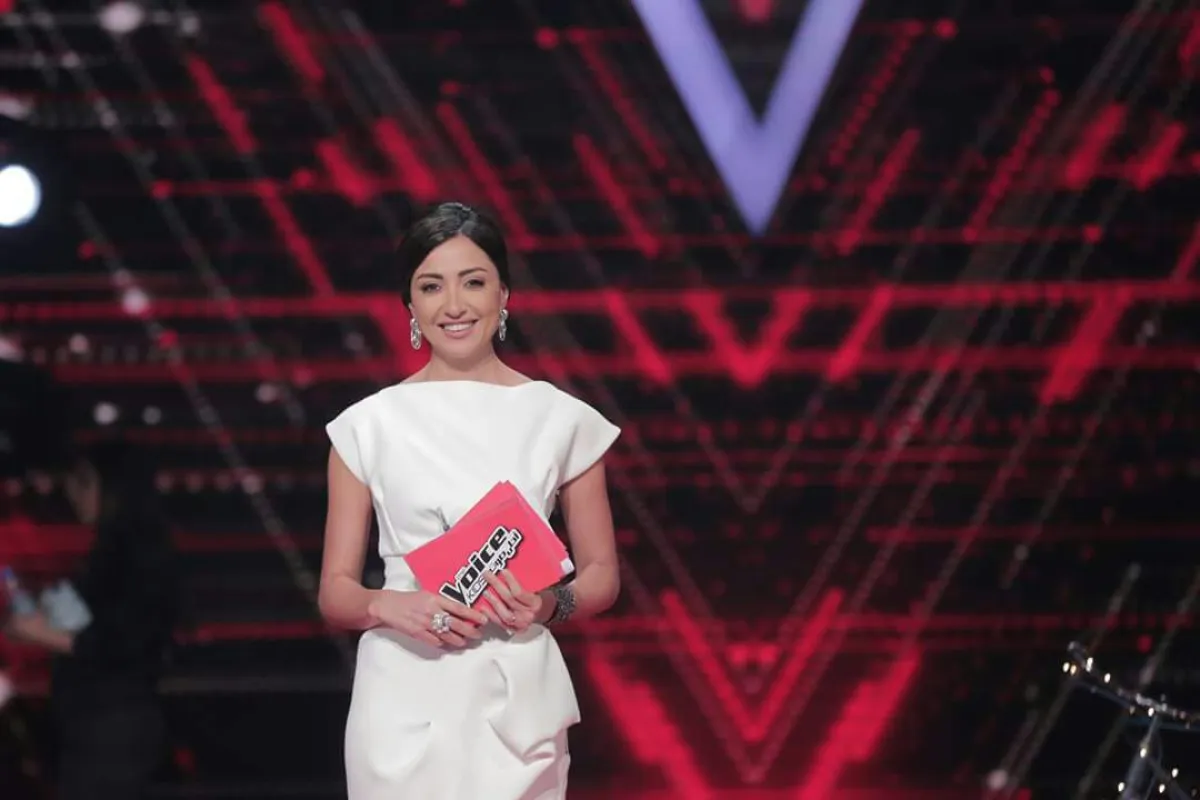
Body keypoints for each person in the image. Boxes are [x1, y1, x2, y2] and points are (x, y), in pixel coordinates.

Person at [319, 201, 621, 799]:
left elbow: (602, 576)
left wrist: (548, 604)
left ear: (503, 295)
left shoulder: (562, 420)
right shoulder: (366, 427)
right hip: (404, 699)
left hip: (516, 701)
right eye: (431, 286)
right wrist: (388, 605)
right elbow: (335, 591)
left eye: (473, 282)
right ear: (410, 306)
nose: (453, 305)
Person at [4, 441, 181, 799]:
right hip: (94, 722)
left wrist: (43, 632)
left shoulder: (137, 556)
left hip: (113, 725)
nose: (73, 492)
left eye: (83, 481)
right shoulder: (112, 551)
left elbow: (122, 643)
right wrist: (40, 615)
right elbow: (81, 620)